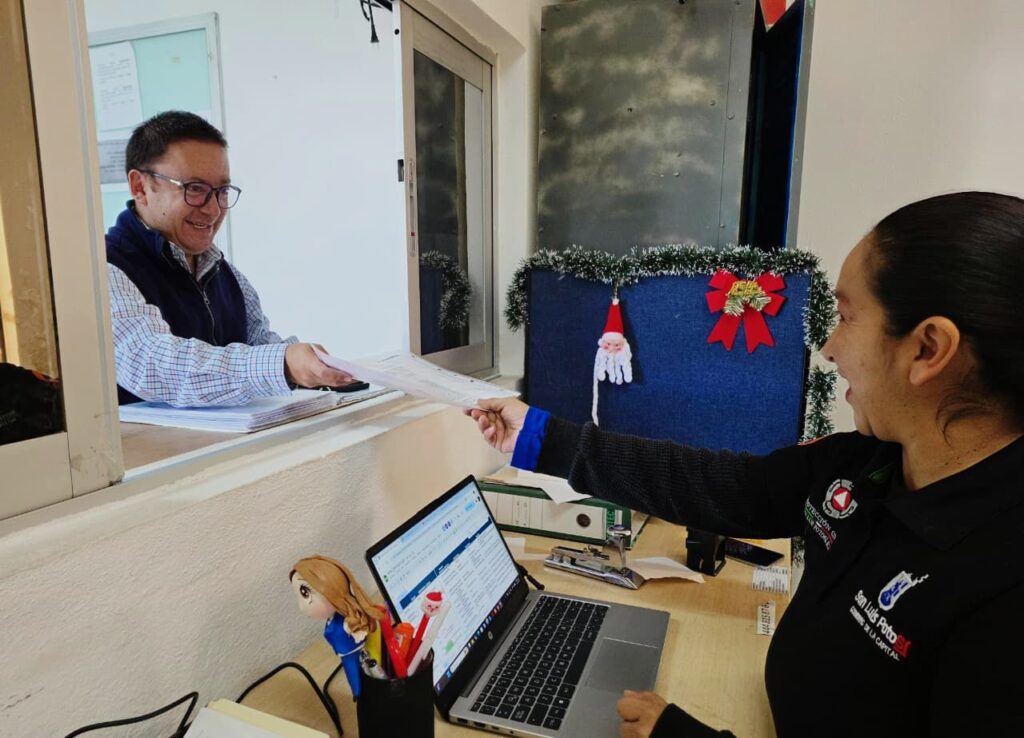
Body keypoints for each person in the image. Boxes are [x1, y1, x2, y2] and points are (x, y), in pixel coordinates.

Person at [467, 191, 1024, 737]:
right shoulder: (871, 460)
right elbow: (730, 487)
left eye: (846, 317)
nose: (829, 348)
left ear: (928, 349)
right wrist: (540, 438)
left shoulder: (1004, 582)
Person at [106, 110, 354, 406]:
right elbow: (151, 363)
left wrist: (314, 367)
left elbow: (260, 345)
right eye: (195, 189)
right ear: (140, 187)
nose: (213, 210)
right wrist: (282, 363)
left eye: (222, 191)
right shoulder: (103, 270)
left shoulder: (229, 277)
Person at [290, 555, 383, 699]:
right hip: (345, 654)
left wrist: (358, 633)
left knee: (356, 673)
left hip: (353, 654)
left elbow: (359, 630)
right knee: (353, 673)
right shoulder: (334, 619)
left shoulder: (347, 621)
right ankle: (361, 694)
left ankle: (360, 695)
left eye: (305, 593)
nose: (301, 607)